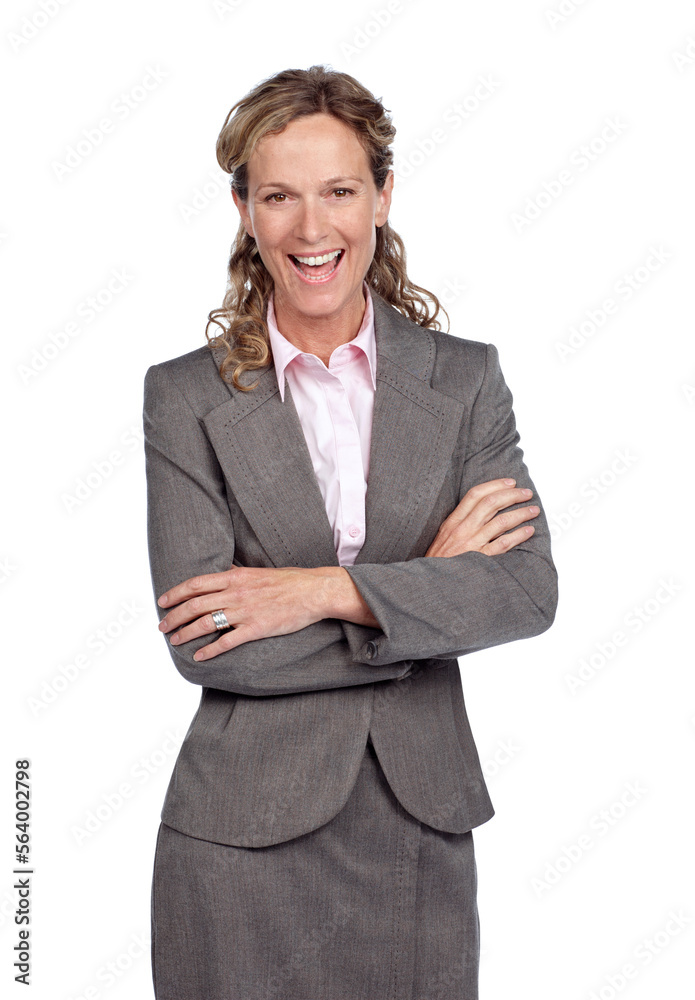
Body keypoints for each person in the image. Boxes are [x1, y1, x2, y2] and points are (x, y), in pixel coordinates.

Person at [143, 64, 558, 1000]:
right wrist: (425, 593)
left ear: (382, 196)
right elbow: (211, 644)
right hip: (237, 840)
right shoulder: (183, 397)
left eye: (338, 190)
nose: (312, 227)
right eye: (280, 196)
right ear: (244, 209)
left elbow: (527, 592)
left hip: (418, 824)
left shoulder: (464, 380)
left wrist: (318, 590)